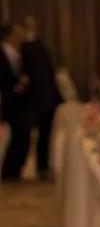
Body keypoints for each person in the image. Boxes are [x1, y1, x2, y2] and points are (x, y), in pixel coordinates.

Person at [20, 16, 62, 181]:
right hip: (41, 100)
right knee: (42, 135)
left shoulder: (35, 46)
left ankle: (43, 167)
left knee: (45, 135)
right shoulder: (30, 48)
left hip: (45, 99)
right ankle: (42, 167)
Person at [0, 22, 31, 181]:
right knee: (18, 136)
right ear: (10, 35)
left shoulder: (18, 53)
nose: (22, 35)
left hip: (19, 103)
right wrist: (15, 89)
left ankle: (13, 172)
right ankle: (9, 173)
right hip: (8, 101)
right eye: (18, 32)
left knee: (22, 136)